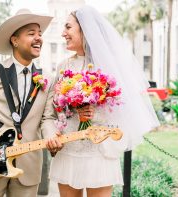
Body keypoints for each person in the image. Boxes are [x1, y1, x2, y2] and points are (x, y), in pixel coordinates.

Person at [49, 5, 160, 197]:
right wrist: (71, 111)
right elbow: (55, 108)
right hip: (69, 148)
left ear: (84, 29)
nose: (63, 33)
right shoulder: (63, 66)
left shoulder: (109, 68)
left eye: (68, 27)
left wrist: (93, 113)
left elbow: (122, 109)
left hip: (99, 151)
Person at [0, 9, 62, 197]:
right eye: (31, 34)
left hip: (29, 162)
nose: (38, 38)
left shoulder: (47, 78)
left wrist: (52, 136)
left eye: (40, 34)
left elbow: (48, 118)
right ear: (14, 40)